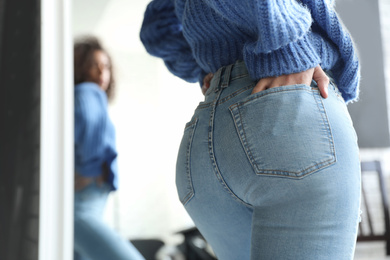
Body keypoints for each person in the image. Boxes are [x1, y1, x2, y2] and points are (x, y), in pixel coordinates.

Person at [140, 1, 361, 259]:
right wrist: (288, 48)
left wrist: (211, 66)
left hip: (205, 142)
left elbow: (157, 28)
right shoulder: (288, 52)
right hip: (290, 122)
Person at [73, 36, 145, 260]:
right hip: (87, 188)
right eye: (94, 66)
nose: (101, 73)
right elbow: (91, 130)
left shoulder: (85, 94)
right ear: (81, 68)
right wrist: (87, 170)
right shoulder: (87, 92)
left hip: (88, 190)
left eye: (105, 67)